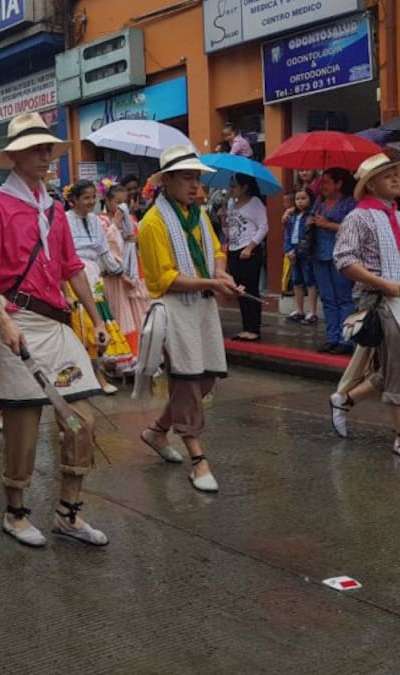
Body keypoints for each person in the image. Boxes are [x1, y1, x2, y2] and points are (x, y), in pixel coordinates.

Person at [0, 111, 110, 548]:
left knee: (80, 419)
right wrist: (3, 320)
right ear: (16, 156)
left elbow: (71, 268)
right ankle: (16, 511)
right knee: (22, 426)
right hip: (17, 321)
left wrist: (97, 320)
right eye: (38, 149)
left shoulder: (56, 209)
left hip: (55, 324)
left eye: (49, 149)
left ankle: (68, 512)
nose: (47, 156)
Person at [136, 145, 241, 493]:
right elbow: (164, 278)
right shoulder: (152, 223)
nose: (195, 186)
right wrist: (213, 282)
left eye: (197, 178)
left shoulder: (197, 216)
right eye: (186, 178)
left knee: (207, 377)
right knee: (186, 380)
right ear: (167, 181)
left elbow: (217, 251)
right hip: (174, 308)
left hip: (203, 304)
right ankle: (198, 459)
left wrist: (221, 275)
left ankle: (156, 431)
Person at [329, 153, 400, 462]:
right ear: (370, 183)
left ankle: (345, 399)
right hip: (381, 300)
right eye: (386, 174)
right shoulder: (358, 217)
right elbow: (344, 260)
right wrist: (382, 283)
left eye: (396, 174)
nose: (395, 178)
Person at [65, 179, 136, 391]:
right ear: (73, 200)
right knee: (81, 326)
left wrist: (121, 272)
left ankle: (99, 377)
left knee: (99, 325)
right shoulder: (64, 220)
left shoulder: (96, 221)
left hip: (94, 276)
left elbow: (104, 251)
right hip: (74, 276)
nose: (90, 202)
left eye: (93, 197)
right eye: (86, 198)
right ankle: (82, 378)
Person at [310, 168, 358, 354]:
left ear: (338, 184)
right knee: (328, 298)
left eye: (326, 182)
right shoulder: (319, 203)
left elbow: (353, 228)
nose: (322, 187)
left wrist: (327, 225)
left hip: (341, 255)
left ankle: (346, 339)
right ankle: (332, 336)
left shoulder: (349, 204)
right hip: (319, 254)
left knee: (344, 298)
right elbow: (311, 219)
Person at [101, 184, 150, 351]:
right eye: (117, 202)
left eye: (125, 202)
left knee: (138, 313)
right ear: (107, 201)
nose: (121, 206)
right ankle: (122, 354)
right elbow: (103, 245)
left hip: (134, 272)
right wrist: (114, 224)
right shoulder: (102, 221)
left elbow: (139, 245)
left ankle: (140, 353)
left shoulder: (132, 221)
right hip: (114, 277)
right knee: (121, 314)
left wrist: (134, 240)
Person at [224, 174, 268, 341]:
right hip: (234, 249)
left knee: (250, 289)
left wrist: (250, 247)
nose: (231, 189)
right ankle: (245, 326)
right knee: (239, 290)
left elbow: (263, 226)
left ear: (245, 187)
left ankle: (254, 328)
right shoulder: (231, 204)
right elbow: (230, 229)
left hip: (249, 251)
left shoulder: (255, 203)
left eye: (234, 186)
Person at [283, 188, 319, 325]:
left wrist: (296, 251)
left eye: (304, 198)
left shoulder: (311, 216)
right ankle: (299, 310)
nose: (300, 202)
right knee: (297, 281)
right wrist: (288, 250)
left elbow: (308, 237)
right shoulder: (292, 217)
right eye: (298, 199)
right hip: (292, 251)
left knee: (310, 281)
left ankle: (313, 311)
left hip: (305, 253)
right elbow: (287, 234)